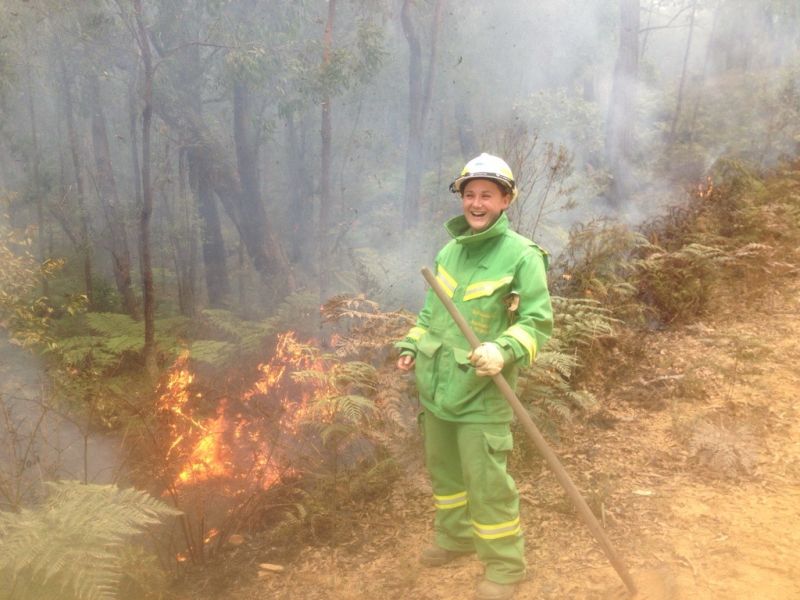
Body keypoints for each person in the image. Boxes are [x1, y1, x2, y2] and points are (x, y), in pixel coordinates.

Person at [395, 153, 553, 600]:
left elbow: (538, 322)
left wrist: (503, 350)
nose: (477, 203)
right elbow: (430, 313)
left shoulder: (522, 256)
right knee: (445, 476)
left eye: (487, 195)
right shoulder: (449, 252)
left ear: (506, 200)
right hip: (437, 387)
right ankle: (456, 539)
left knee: (487, 485)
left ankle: (505, 566)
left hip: (482, 393)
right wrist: (411, 345)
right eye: (470, 194)